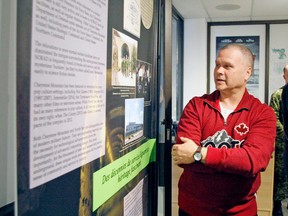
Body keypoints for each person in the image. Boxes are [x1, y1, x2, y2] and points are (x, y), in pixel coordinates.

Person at [172, 43, 276, 216]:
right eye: (217, 65)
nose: (219, 71)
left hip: (240, 211)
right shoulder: (196, 106)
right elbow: (183, 157)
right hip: (193, 210)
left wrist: (199, 154)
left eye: (228, 66)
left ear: (247, 73)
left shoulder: (262, 113)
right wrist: (234, 162)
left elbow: (253, 161)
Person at [270, 65, 288, 216]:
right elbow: (273, 118)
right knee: (280, 178)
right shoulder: (278, 95)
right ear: (284, 76)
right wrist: (284, 133)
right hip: (283, 145)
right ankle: (277, 209)